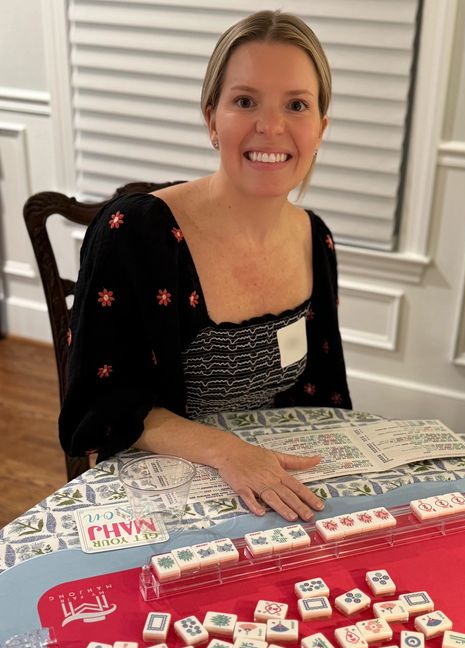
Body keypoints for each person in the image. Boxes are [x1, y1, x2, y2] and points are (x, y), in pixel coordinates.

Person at [59, 10, 351, 523]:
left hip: (278, 495)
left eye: (297, 105)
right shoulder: (135, 233)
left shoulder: (315, 238)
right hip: (165, 493)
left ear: (320, 129)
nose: (270, 126)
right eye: (245, 101)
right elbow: (97, 411)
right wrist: (231, 453)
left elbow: (325, 397)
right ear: (211, 117)